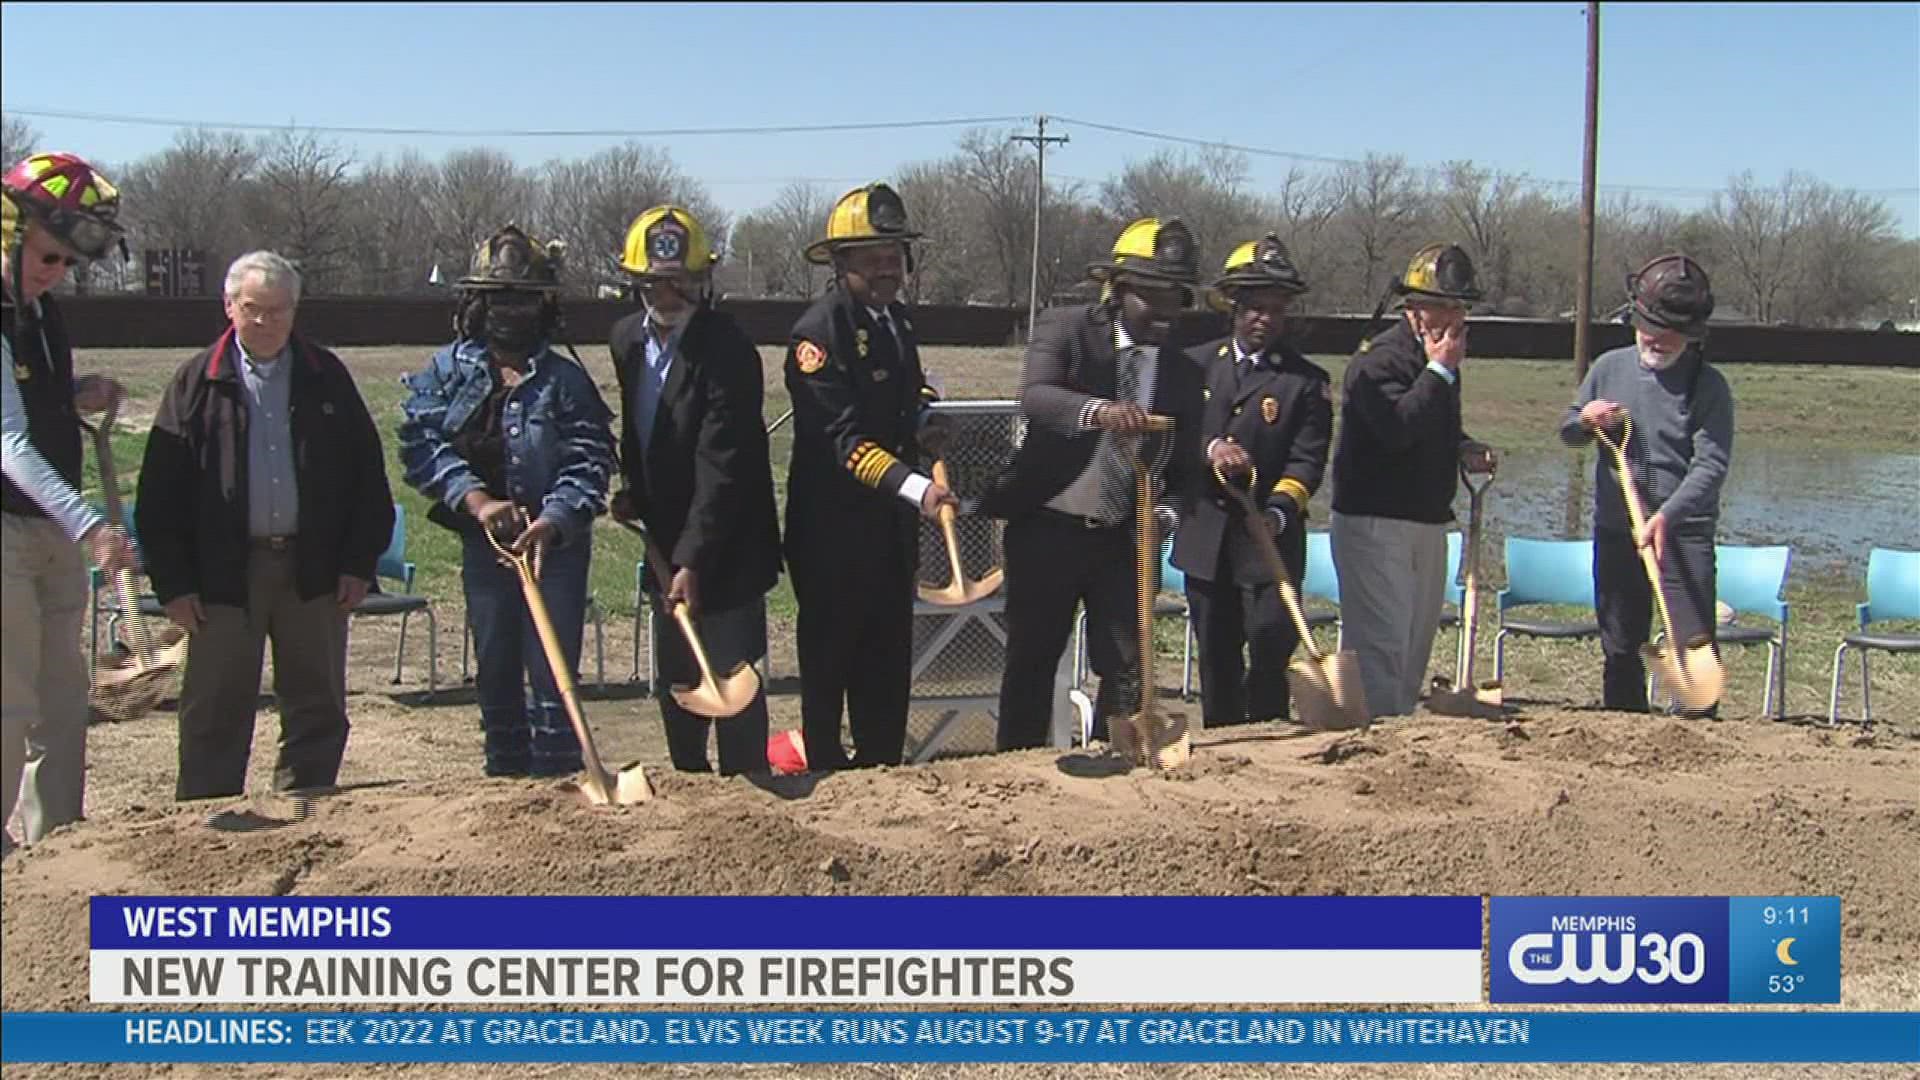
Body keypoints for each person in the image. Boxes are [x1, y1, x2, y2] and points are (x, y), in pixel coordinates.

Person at [137, 251, 394, 800]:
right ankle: (209, 817)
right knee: (214, 705)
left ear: (295, 311)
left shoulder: (327, 376)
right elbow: (159, 496)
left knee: (317, 701)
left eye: (279, 310)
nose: (266, 321)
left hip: (314, 570)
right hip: (223, 576)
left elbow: (368, 479)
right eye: (253, 309)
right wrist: (174, 585)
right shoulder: (195, 383)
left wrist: (357, 564)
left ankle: (308, 801)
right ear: (230, 306)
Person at [981, 217, 1207, 751]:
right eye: (1153, 298)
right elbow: (1036, 396)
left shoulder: (1184, 372)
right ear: (1119, 290)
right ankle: (1018, 764)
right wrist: (1100, 411)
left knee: (1127, 663)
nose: (1167, 314)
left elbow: (1185, 475)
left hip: (1124, 540)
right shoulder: (1066, 329)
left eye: (1176, 297)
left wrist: (1165, 518)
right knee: (1033, 657)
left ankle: (1116, 761)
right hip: (1048, 527)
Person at [397, 224, 615, 777]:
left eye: (521, 300)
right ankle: (506, 785)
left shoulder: (566, 381)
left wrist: (554, 518)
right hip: (486, 548)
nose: (509, 312)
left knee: (552, 670)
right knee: (495, 668)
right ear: (474, 304)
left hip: (555, 552)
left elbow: (590, 460)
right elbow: (421, 443)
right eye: (497, 299)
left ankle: (562, 779)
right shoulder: (445, 372)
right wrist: (474, 500)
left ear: (544, 307)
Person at [783, 182, 955, 771]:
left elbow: (910, 389)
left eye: (895, 255)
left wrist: (927, 416)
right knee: (832, 669)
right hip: (832, 540)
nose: (888, 268)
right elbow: (846, 442)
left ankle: (883, 774)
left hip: (890, 538)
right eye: (873, 257)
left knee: (886, 669)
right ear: (840, 262)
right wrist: (918, 489)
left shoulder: (897, 322)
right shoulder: (817, 334)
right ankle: (829, 782)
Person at [609, 205, 780, 774]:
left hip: (727, 544)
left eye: (682, 280)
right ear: (636, 282)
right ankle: (690, 796)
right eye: (656, 281)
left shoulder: (728, 348)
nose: (669, 292)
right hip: (666, 546)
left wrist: (693, 558)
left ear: (704, 281)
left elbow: (722, 461)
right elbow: (644, 431)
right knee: (679, 682)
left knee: (733, 685)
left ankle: (748, 797)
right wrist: (634, 489)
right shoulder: (626, 340)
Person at [0, 152, 139, 851]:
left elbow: (31, 401)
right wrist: (90, 526)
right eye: (48, 255)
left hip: (49, 531)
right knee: (8, 702)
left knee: (60, 704)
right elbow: (6, 440)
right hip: (8, 534)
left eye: (65, 264)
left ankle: (55, 853)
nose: (54, 272)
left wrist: (73, 393)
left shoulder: (43, 312)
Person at [1559, 253, 1732, 715]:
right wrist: (1586, 420)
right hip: (1618, 530)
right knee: (1621, 648)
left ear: (1692, 335)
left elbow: (1711, 466)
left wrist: (1666, 517)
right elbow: (1570, 433)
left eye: (1667, 331)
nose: (1653, 338)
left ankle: (1698, 738)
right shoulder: (1608, 368)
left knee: (1692, 649)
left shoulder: (1708, 386)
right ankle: (1624, 737)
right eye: (1646, 325)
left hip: (1682, 534)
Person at [1329, 243, 1496, 719]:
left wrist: (1461, 446)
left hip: (1427, 518)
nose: (1453, 316)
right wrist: (1439, 369)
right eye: (1442, 305)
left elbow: (1430, 424)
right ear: (1413, 308)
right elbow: (1398, 428)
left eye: (1460, 306)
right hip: (1375, 521)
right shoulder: (1378, 362)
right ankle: (1379, 735)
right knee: (1383, 642)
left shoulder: (1440, 365)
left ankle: (1400, 727)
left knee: (1415, 642)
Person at [1171, 235, 1332, 728]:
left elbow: (1307, 461)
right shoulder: (1192, 364)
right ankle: (1223, 746)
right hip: (1207, 538)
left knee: (1269, 642)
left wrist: (1280, 510)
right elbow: (1172, 436)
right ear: (1234, 307)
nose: (1266, 319)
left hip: (1269, 542)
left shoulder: (1305, 381)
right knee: (1217, 656)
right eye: (1256, 308)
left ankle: (1270, 739)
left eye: (1276, 310)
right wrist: (1209, 450)